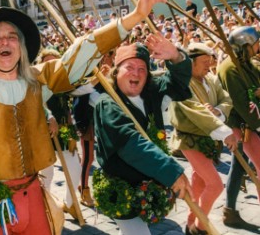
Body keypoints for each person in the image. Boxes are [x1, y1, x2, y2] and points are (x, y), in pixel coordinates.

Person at [0, 0, 172, 235]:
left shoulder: (37, 81)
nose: (5, 41)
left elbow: (80, 53)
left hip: (34, 198)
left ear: (22, 47)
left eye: (12, 36)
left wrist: (134, 18)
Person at [94, 37, 193, 235]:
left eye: (142, 69)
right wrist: (171, 171)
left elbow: (177, 82)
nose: (136, 73)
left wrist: (175, 56)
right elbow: (131, 143)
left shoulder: (152, 91)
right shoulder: (107, 104)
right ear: (116, 72)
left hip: (149, 184)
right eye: (129, 67)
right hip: (123, 187)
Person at [169, 43, 237, 234]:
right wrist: (223, 129)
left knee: (199, 183)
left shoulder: (211, 79)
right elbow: (196, 112)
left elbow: (227, 99)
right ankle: (199, 229)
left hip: (209, 139)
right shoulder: (183, 83)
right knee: (215, 185)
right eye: (205, 62)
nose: (209, 65)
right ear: (190, 63)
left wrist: (218, 111)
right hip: (189, 140)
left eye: (210, 61)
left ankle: (191, 220)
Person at [217, 26, 260, 230]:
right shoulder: (229, 68)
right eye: (256, 44)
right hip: (240, 124)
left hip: (249, 123)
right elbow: (242, 103)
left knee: (238, 165)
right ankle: (229, 211)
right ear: (245, 46)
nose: (258, 46)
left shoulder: (247, 63)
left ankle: (229, 211)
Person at [37, 48, 82, 220]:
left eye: (55, 62)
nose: (52, 66)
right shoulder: (36, 82)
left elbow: (67, 106)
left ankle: (69, 204)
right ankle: (45, 209)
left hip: (64, 132)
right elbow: (38, 103)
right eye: (47, 62)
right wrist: (49, 116)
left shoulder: (63, 81)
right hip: (43, 134)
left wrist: (70, 127)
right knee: (46, 174)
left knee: (75, 169)